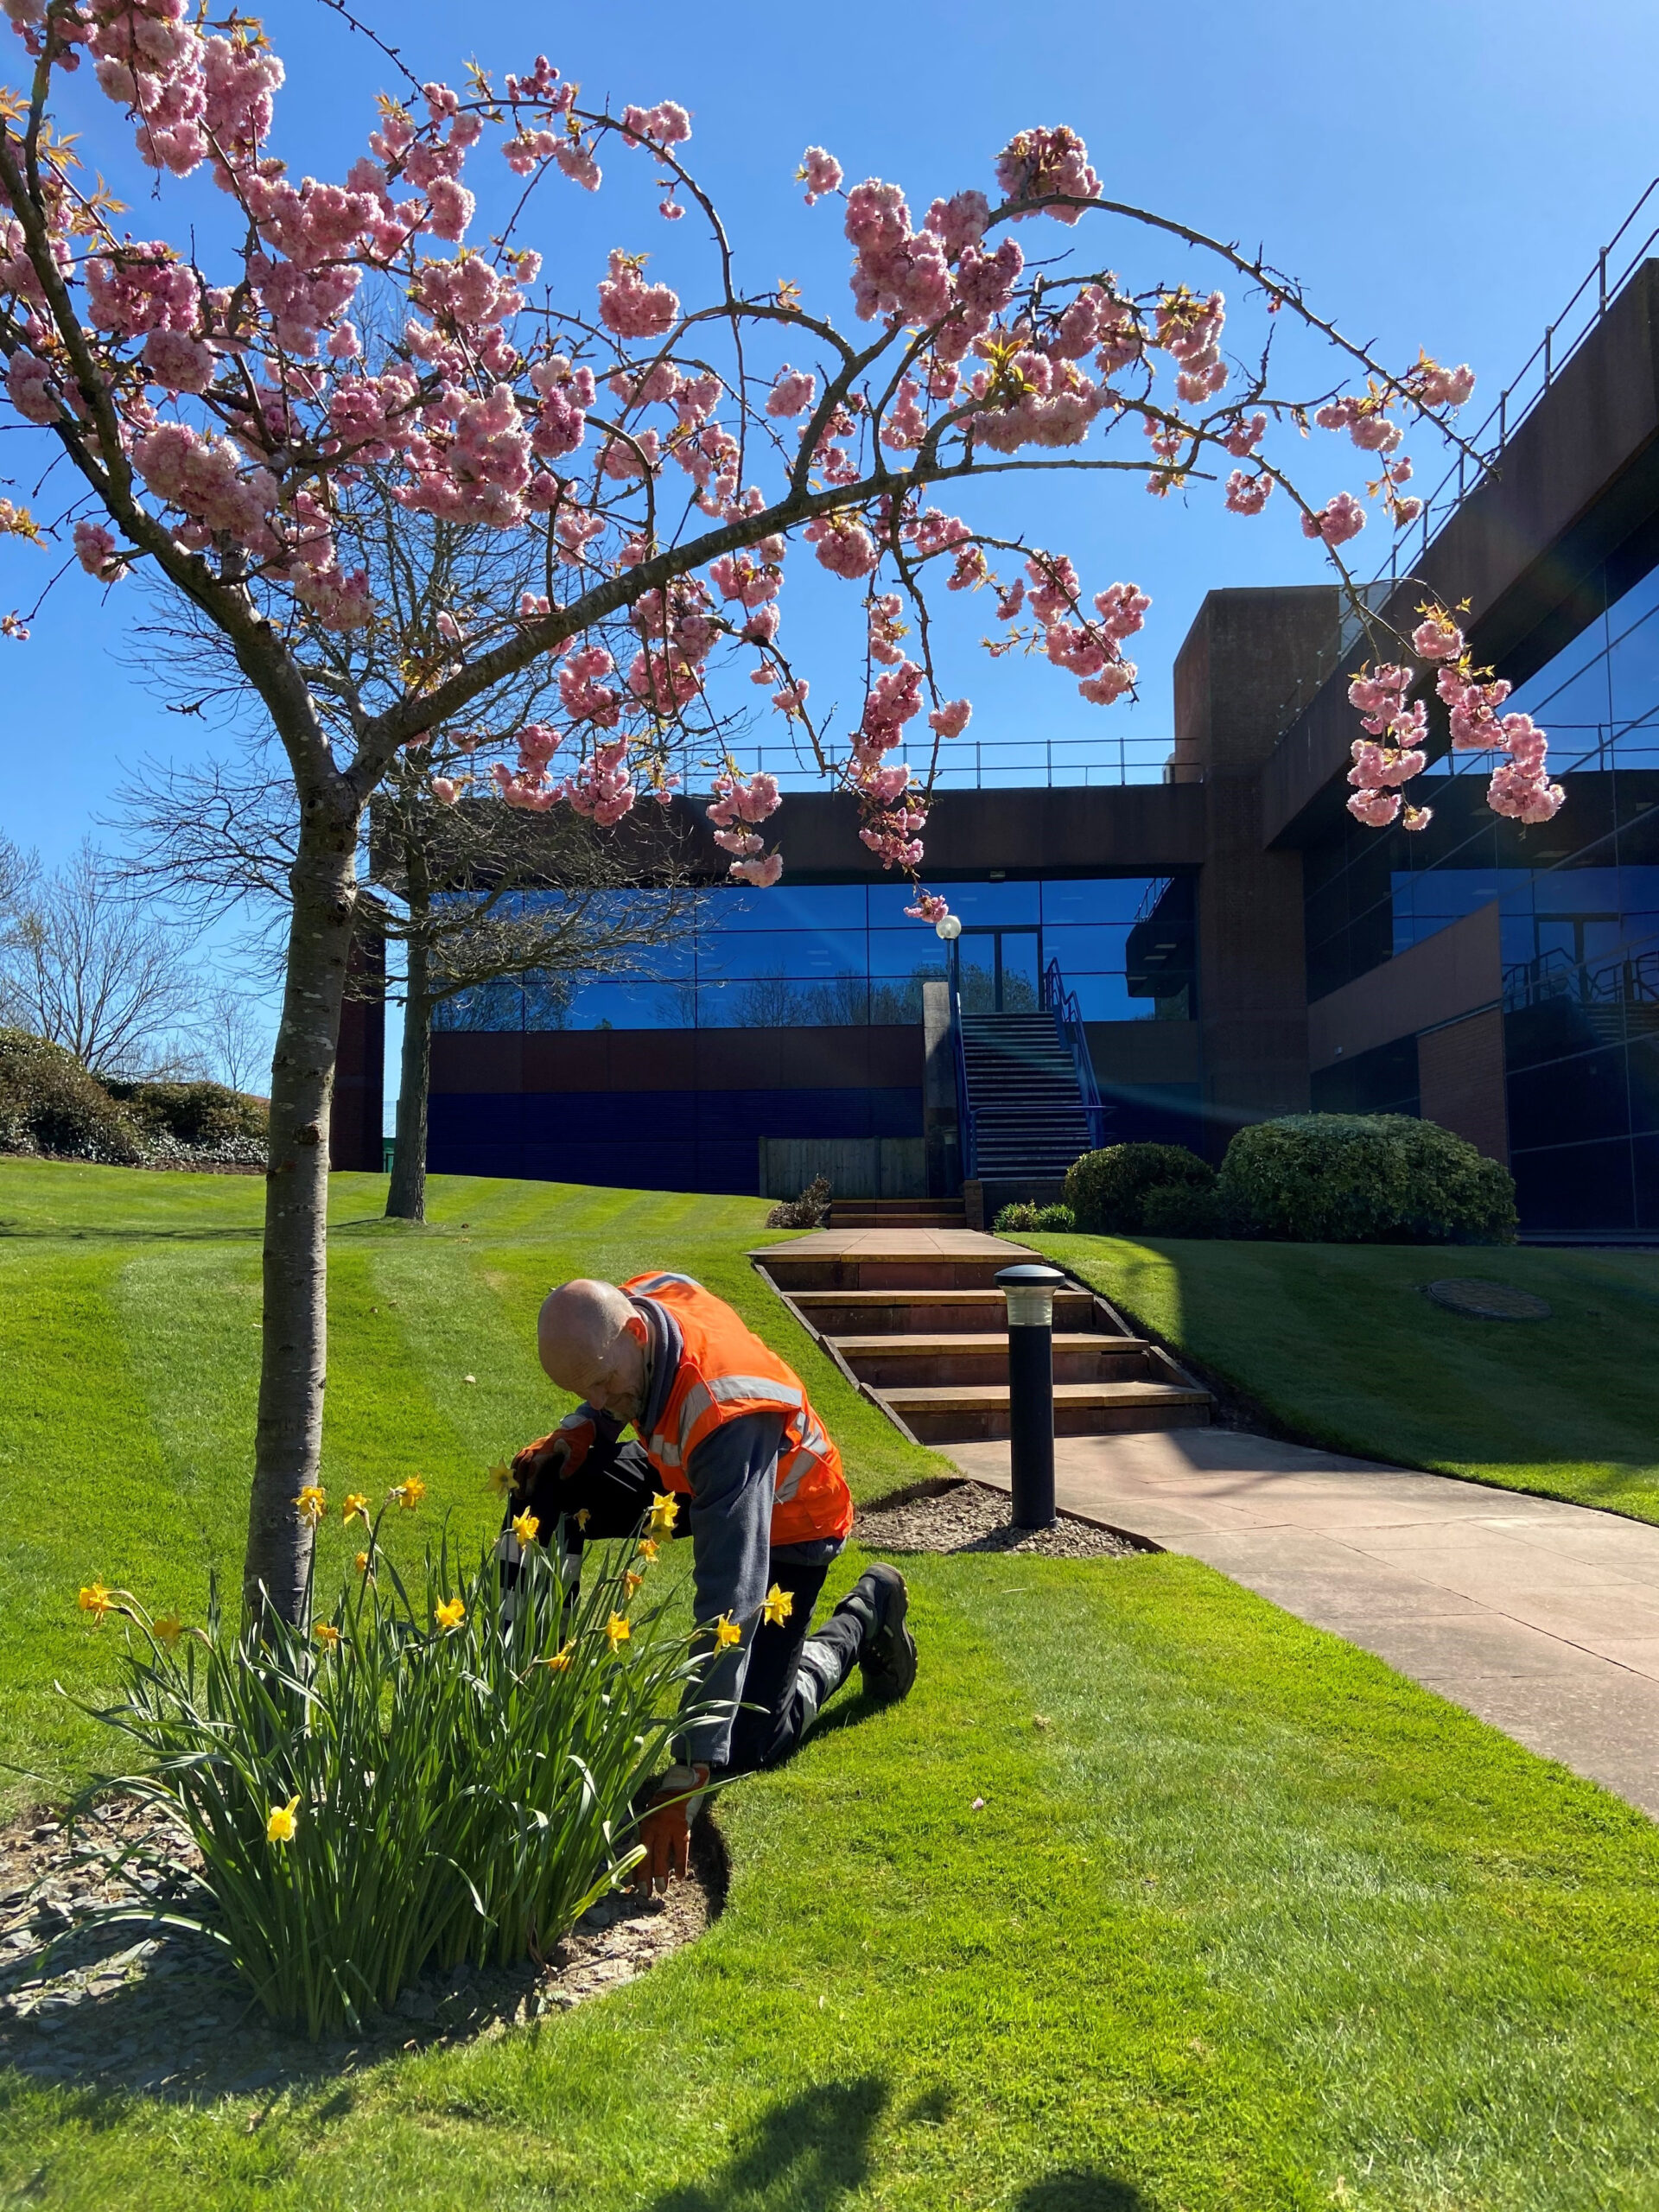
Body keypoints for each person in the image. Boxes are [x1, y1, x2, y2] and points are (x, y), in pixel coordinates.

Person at [504, 1269, 918, 1889]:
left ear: (636, 1334)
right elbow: (611, 1376)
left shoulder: (725, 1413)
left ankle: (865, 1613)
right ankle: (534, 1698)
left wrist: (691, 1767)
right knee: (543, 1487)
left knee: (749, 1740)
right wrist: (583, 1428)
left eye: (606, 1387)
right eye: (588, 1391)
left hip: (792, 1518)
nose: (604, 1399)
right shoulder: (641, 1309)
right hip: (689, 1465)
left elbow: (733, 1591)